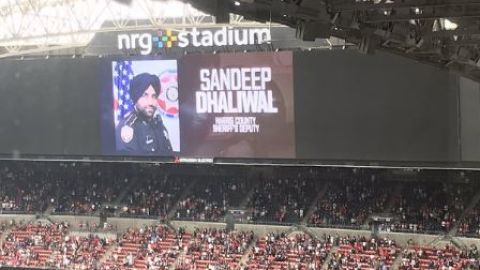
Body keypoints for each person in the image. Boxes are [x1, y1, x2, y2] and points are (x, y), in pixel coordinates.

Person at [116, 73, 173, 155]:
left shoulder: (158, 124)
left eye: (154, 96)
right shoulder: (128, 128)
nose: (151, 102)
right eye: (145, 96)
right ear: (135, 99)